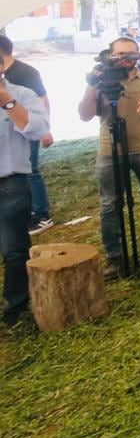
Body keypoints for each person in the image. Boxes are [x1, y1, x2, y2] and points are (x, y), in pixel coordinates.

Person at [78, 37, 140, 277]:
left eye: (130, 54)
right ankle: (114, 257)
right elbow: (84, 115)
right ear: (110, 55)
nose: (125, 59)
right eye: (120, 54)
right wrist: (93, 86)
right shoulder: (102, 83)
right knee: (110, 204)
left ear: (139, 55)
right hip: (110, 151)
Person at [0, 67, 50, 325]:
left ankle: (16, 309)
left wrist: (7, 101)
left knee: (15, 250)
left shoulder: (22, 94)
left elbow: (38, 129)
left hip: (11, 182)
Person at [0, 37, 55, 234]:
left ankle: (41, 213)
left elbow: (42, 98)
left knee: (30, 170)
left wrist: (46, 131)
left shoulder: (25, 72)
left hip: (24, 129)